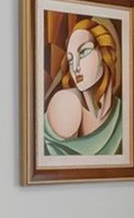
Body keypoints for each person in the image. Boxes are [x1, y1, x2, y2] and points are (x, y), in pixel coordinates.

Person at [42, 15, 125, 156]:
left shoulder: (122, 112)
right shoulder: (66, 103)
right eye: (71, 60)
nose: (75, 67)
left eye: (83, 52)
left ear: (104, 52)